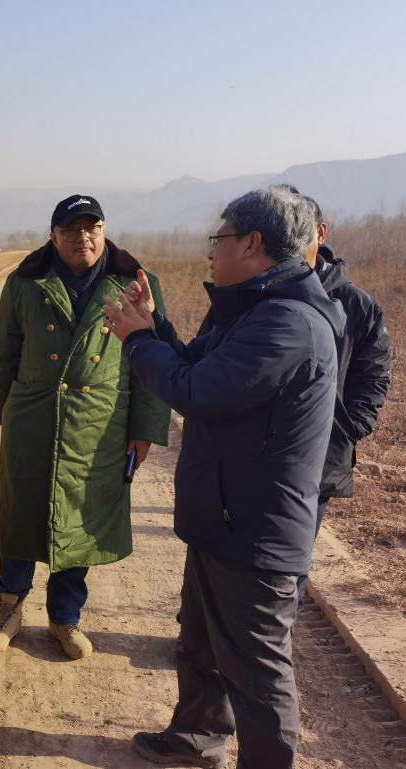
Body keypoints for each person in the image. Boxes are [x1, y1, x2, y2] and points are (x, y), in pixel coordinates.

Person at [105, 186, 345, 769]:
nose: (212, 252)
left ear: (253, 243)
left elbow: (196, 391)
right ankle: (198, 736)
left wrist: (137, 341)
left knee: (258, 676)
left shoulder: (288, 323)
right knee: (201, 644)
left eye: (220, 238)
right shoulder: (255, 310)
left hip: (256, 531)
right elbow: (196, 363)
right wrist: (156, 328)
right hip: (223, 515)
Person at [0, 195, 171, 659]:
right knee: (20, 513)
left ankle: (65, 618)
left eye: (92, 228)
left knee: (80, 517)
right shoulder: (25, 281)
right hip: (34, 417)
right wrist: (6, 415)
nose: (82, 237)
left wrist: (144, 429)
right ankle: (9, 607)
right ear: (53, 235)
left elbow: (154, 359)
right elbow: (3, 351)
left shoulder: (136, 283)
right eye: (70, 230)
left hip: (99, 422)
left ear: (103, 231)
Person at [296, 196, 391, 610]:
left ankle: (273, 639)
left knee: (292, 561)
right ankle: (204, 633)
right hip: (254, 452)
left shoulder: (357, 306)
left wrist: (350, 426)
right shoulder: (253, 293)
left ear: (320, 233)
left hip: (322, 455)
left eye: (298, 229)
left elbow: (374, 374)